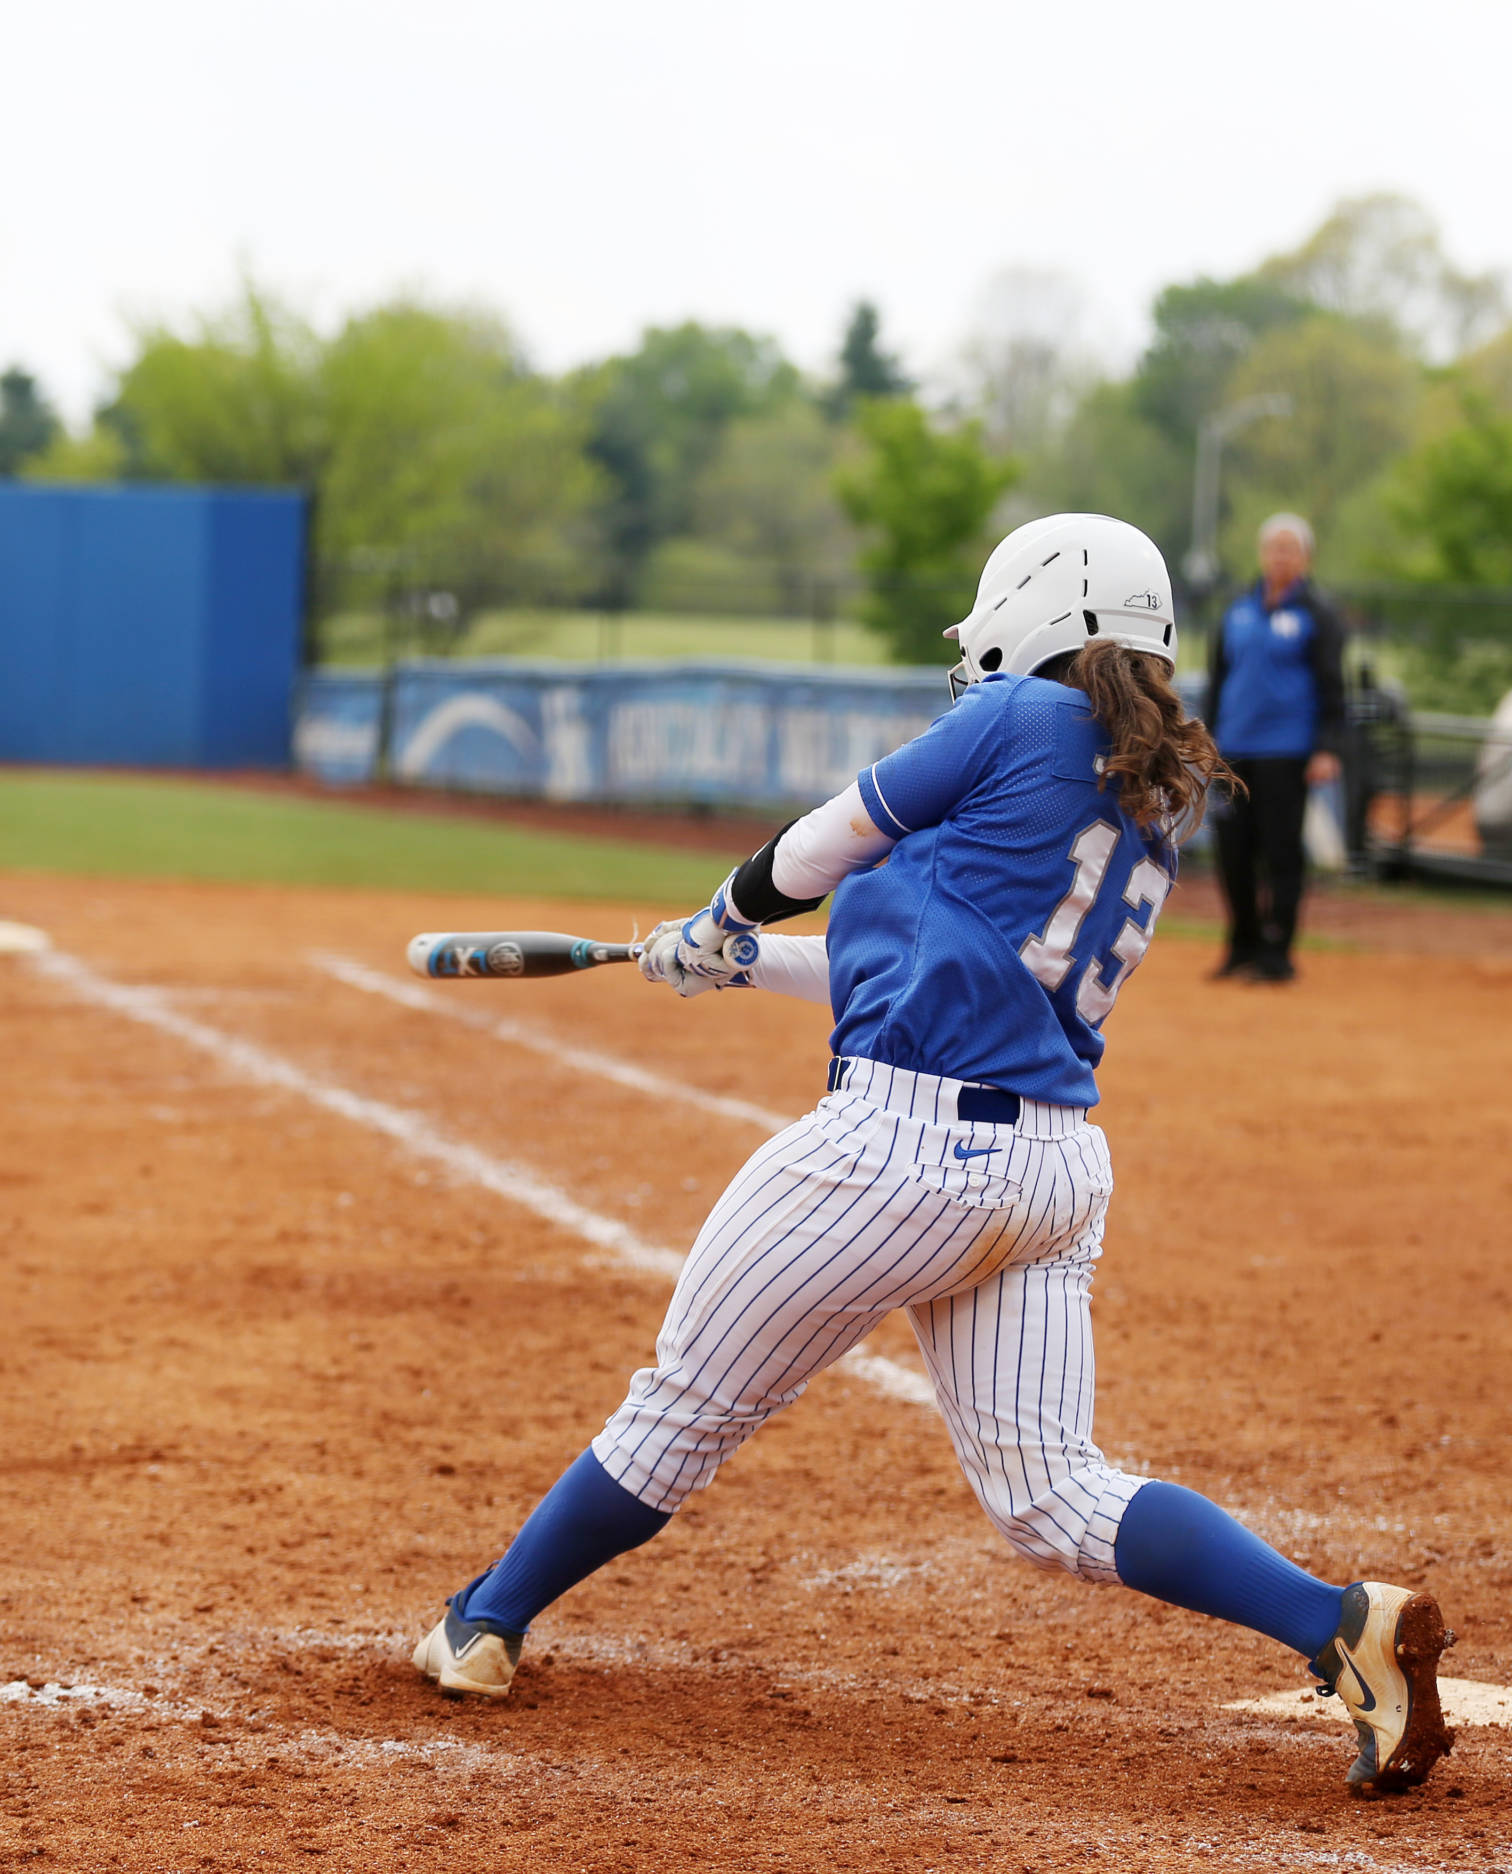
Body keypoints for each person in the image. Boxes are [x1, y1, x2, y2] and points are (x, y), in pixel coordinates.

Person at [409, 514, 1455, 1798]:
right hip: (1047, 1170)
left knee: (679, 1407)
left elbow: (816, 847)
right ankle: (1337, 1621)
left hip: (894, 1153)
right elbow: (913, 967)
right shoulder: (1146, 785)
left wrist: (730, 909)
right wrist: (729, 957)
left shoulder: (1013, 722)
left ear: (1039, 617)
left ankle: (485, 1617)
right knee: (1056, 1496)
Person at [1204, 512, 1346, 983]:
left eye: (1290, 548)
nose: (1280, 556)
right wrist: (1206, 739)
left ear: (1305, 557)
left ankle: (1277, 953)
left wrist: (1326, 748)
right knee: (1233, 853)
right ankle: (1241, 945)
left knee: (1281, 853)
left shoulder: (1317, 613)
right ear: (1262, 553)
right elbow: (1218, 679)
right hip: (1235, 748)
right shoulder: (1237, 610)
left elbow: (1332, 686)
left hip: (1288, 751)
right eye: (1273, 547)